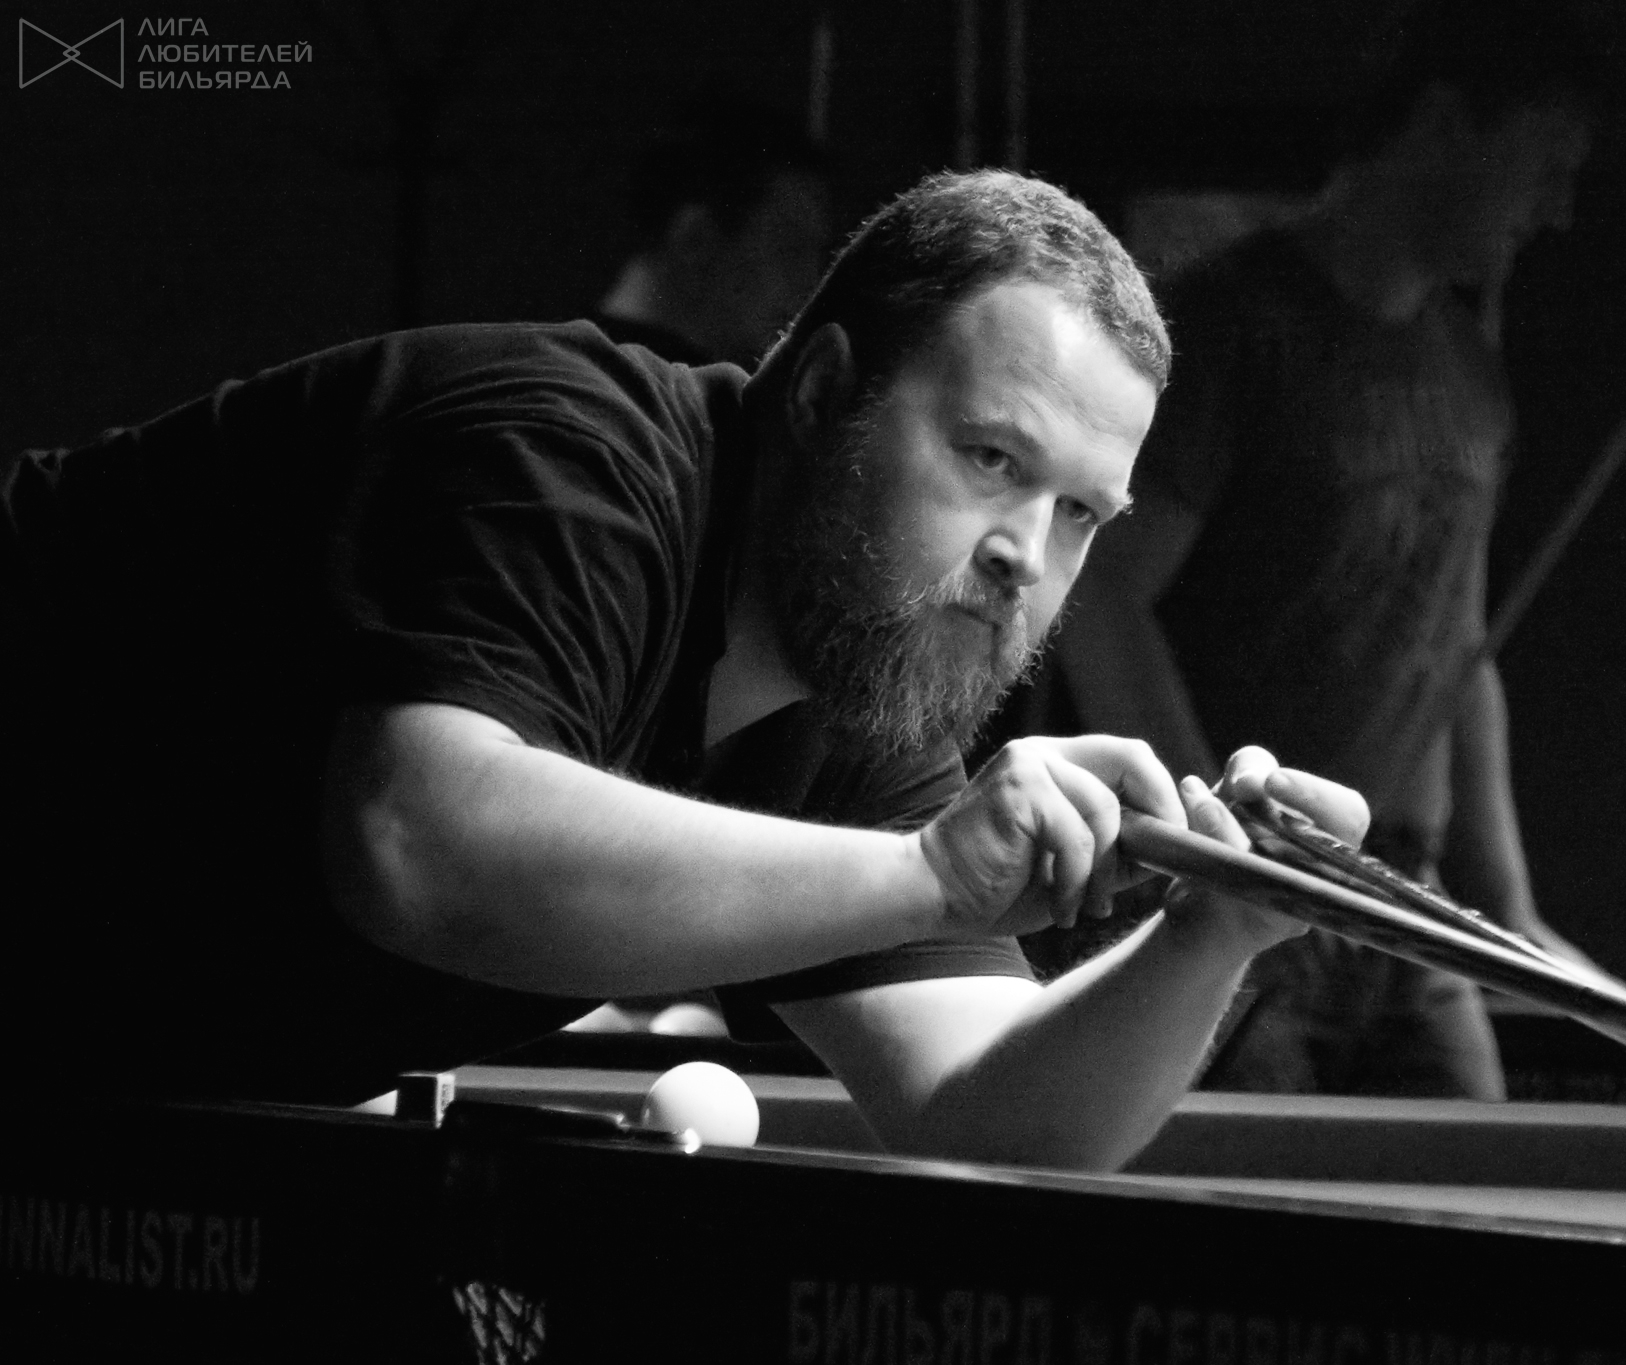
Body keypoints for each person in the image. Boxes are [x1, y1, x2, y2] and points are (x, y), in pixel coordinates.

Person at [0, 171, 1368, 1173]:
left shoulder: (857, 691)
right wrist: (932, 874)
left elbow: (986, 1114)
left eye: (1079, 515)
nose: (1026, 555)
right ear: (822, 392)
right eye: (990, 458)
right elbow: (414, 841)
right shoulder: (571, 459)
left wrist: (1206, 937)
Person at [1054, 0, 1604, 1098]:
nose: (1559, 209)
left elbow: (1460, 649)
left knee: (1484, 1189)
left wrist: (1509, 907)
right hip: (1250, 895)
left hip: (1408, 907)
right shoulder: (1229, 330)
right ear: (1443, 123)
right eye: (1544, 163)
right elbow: (1102, 593)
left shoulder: (1470, 371)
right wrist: (1216, 860)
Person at [591, 102, 836, 367]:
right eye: (790, 248)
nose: (812, 283)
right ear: (694, 239)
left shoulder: (585, 364)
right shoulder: (612, 382)